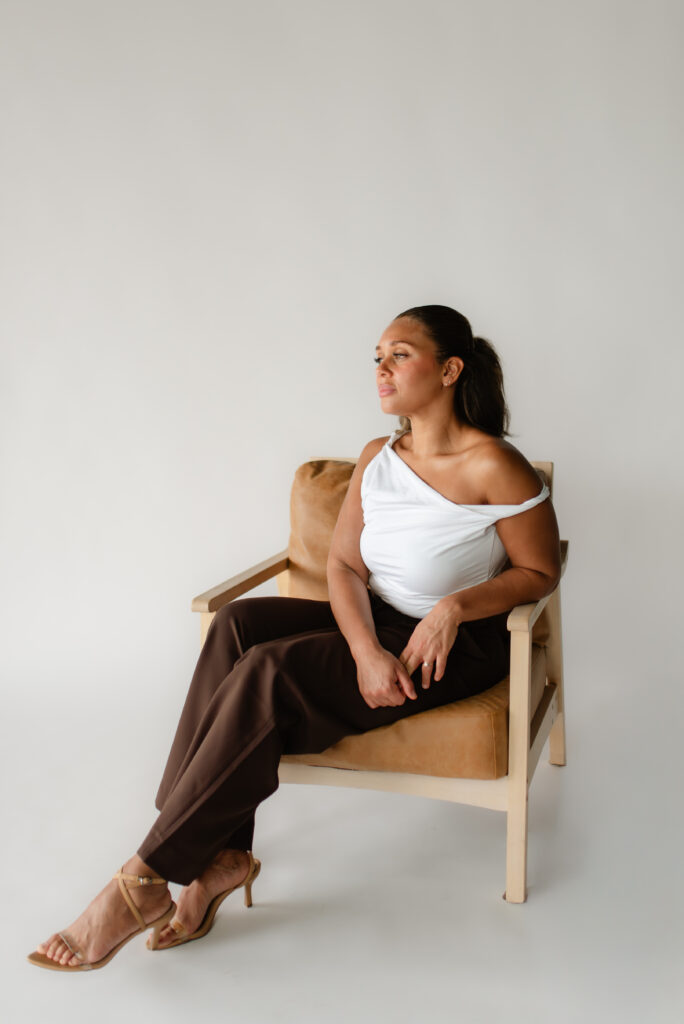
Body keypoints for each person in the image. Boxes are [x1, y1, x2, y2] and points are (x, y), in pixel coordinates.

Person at [28, 303, 561, 971]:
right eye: (376, 355)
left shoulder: (496, 465)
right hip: (382, 622)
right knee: (237, 625)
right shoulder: (378, 456)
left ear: (450, 369)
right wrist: (366, 650)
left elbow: (541, 570)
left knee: (268, 673)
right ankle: (217, 856)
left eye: (400, 354)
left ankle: (142, 881)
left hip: (452, 649)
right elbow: (342, 566)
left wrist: (454, 606)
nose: (381, 368)